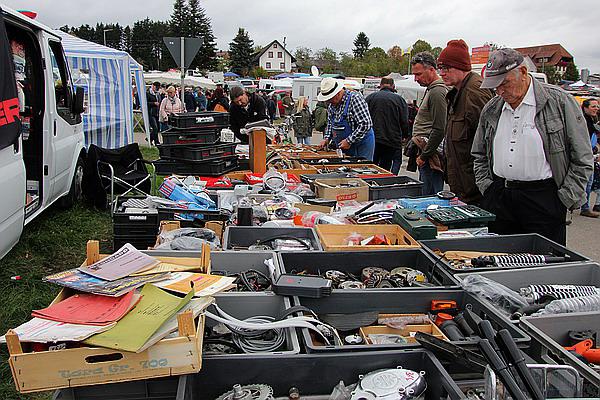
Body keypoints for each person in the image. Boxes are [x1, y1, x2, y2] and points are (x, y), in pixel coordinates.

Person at [472, 48, 593, 245]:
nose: (500, 91)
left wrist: (564, 199)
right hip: (500, 197)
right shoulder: (492, 108)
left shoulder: (560, 102)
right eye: (495, 87)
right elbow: (479, 153)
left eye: (505, 83)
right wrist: (488, 188)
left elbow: (583, 157)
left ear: (523, 73)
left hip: (544, 199)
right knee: (499, 261)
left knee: (544, 268)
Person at [438, 39, 494, 204]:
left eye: (446, 68)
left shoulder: (474, 92)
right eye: (441, 68)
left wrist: (484, 183)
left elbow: (488, 143)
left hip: (475, 188)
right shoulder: (458, 91)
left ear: (461, 67)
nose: (442, 73)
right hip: (464, 185)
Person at [410, 52, 448, 195]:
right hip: (427, 152)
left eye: (418, 74)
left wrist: (424, 156)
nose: (416, 79)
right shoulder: (432, 89)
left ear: (431, 69)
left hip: (431, 156)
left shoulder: (437, 91)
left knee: (430, 195)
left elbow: (440, 129)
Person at [317, 77, 375, 160]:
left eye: (330, 99)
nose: (329, 102)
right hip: (345, 146)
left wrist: (349, 141)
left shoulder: (355, 99)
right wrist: (326, 138)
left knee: (361, 169)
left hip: (361, 145)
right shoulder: (331, 106)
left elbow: (365, 124)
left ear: (337, 94)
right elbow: (330, 123)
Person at [365, 77, 408, 171]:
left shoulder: (370, 98)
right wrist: (405, 135)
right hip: (392, 139)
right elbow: (404, 121)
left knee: (373, 164)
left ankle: (372, 183)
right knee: (388, 164)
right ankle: (388, 181)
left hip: (373, 138)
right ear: (393, 86)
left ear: (380, 85)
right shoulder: (399, 100)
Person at [580, 98, 600, 217]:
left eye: (597, 106)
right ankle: (583, 207)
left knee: (588, 182)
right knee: (585, 182)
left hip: (589, 155)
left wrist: (595, 149)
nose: (596, 109)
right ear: (585, 108)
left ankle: (585, 207)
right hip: (583, 156)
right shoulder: (582, 121)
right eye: (593, 106)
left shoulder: (592, 120)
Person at [146, 81, 162, 145]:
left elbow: (160, 101)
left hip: (157, 113)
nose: (157, 89)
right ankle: (156, 142)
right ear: (153, 86)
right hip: (151, 113)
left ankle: (149, 138)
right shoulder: (147, 93)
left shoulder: (157, 94)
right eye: (156, 87)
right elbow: (145, 103)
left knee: (157, 128)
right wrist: (153, 103)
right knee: (155, 128)